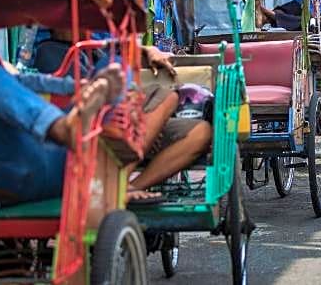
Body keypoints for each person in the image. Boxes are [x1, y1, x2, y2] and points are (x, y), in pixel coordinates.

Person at [0, 38, 123, 205]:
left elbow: (21, 83)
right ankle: (64, 129)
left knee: (116, 66)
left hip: (50, 155)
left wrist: (80, 87)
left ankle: (73, 133)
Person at [33, 33, 212, 203]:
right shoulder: (50, 51)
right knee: (167, 96)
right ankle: (118, 182)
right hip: (99, 130)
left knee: (201, 132)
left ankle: (129, 187)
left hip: (132, 124)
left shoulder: (101, 45)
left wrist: (145, 50)